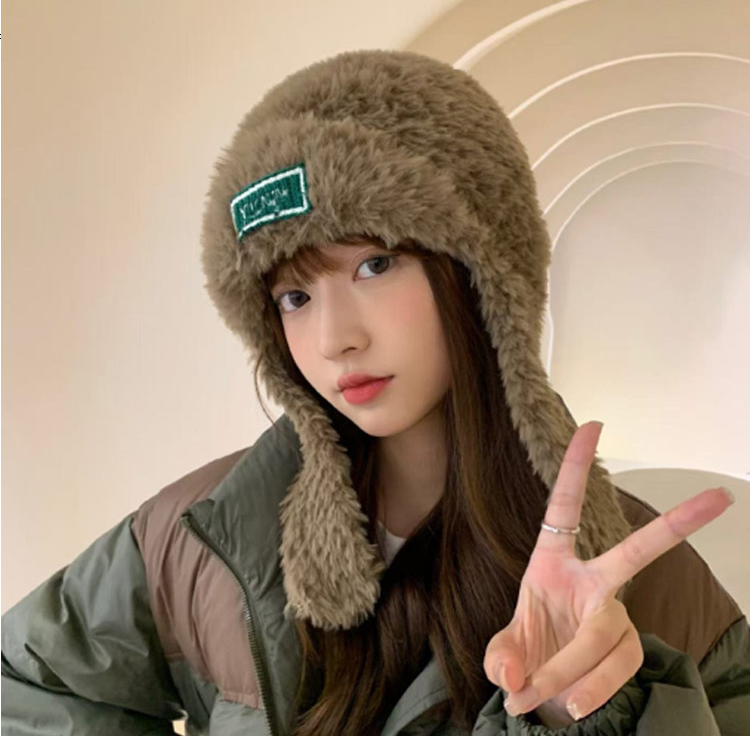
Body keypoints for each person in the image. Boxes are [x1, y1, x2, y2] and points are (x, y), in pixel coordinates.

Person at [2, 48, 748, 736]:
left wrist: (577, 717)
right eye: (295, 297)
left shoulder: (637, 575)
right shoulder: (200, 535)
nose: (335, 339)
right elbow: (25, 683)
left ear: (482, 277)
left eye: (375, 264)